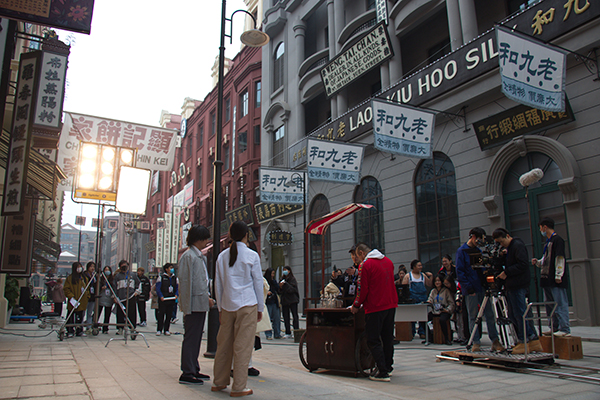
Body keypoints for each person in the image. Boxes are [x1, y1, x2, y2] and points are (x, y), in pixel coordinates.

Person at [212, 221, 263, 397]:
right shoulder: (251, 256)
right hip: (247, 304)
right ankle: (239, 386)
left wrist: (219, 308)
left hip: (227, 305)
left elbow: (218, 285)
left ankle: (219, 382)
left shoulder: (222, 256)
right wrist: (260, 307)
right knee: (242, 347)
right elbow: (258, 283)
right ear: (246, 235)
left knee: (223, 344)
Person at [351, 243, 397, 382]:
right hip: (390, 304)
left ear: (361, 253)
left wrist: (356, 304)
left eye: (357, 255)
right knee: (387, 338)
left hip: (375, 306)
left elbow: (362, 289)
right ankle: (388, 366)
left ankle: (382, 371)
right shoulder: (388, 261)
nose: (357, 259)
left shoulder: (366, 265)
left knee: (373, 339)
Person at [493, 228, 543, 354]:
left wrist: (506, 272)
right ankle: (530, 339)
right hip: (512, 286)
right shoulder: (510, 249)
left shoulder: (517, 246)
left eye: (501, 241)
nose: (501, 244)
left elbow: (522, 264)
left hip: (518, 285)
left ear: (507, 236)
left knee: (519, 313)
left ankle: (525, 340)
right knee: (514, 314)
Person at [456, 227, 503, 352]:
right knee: (473, 316)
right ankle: (476, 341)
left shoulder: (477, 251)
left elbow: (481, 268)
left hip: (481, 286)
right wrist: (467, 287)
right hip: (470, 289)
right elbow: (460, 272)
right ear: (473, 237)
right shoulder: (462, 251)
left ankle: (495, 340)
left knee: (489, 314)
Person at [178, 225, 212, 385]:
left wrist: (207, 297)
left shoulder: (199, 256)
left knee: (197, 337)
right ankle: (187, 372)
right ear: (198, 239)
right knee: (191, 337)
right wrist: (186, 307)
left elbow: (201, 281)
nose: (207, 242)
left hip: (200, 302)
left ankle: (194, 368)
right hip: (193, 303)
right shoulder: (188, 256)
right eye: (205, 238)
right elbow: (185, 283)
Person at [532, 217, 570, 337]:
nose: (541, 230)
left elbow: (559, 257)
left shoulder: (557, 240)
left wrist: (559, 274)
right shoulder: (548, 242)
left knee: (559, 303)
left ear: (544, 227)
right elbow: (546, 259)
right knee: (549, 304)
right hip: (546, 278)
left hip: (554, 278)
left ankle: (564, 328)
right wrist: (538, 262)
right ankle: (553, 327)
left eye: (540, 228)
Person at [402, 259, 432, 338]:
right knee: (412, 316)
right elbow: (403, 288)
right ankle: (411, 332)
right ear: (414, 267)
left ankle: (422, 332)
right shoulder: (408, 276)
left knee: (423, 317)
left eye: (421, 265)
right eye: (419, 266)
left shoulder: (423, 275)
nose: (420, 267)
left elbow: (429, 284)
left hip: (422, 297)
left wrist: (431, 276)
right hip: (413, 298)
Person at [426, 275, 455, 345]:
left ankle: (447, 338)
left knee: (442, 320)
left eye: (439, 281)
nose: (437, 282)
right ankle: (430, 337)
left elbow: (451, 303)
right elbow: (430, 299)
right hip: (435, 311)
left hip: (444, 310)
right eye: (436, 281)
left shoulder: (446, 291)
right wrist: (429, 301)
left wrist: (447, 310)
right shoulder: (433, 291)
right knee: (426, 318)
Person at [114, 260, 141, 335]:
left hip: (131, 297)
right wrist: (115, 297)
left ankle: (132, 327)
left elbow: (138, 284)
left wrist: (137, 292)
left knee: (132, 313)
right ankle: (120, 328)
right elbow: (114, 287)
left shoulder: (133, 275)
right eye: (122, 265)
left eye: (125, 265)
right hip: (121, 298)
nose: (124, 266)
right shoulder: (117, 276)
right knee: (120, 313)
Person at [63, 262, 89, 338]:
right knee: (70, 316)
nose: (79, 268)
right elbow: (66, 289)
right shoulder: (70, 278)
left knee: (80, 316)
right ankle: (70, 330)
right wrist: (71, 297)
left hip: (82, 301)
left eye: (80, 266)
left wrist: (87, 295)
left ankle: (79, 330)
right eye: (78, 267)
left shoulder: (84, 278)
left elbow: (87, 288)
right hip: (73, 301)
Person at [156, 263, 178, 336]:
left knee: (169, 315)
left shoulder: (175, 278)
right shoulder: (161, 277)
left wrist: (176, 295)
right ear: (166, 269)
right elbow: (158, 288)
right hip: (163, 299)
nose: (172, 269)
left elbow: (177, 288)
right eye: (170, 268)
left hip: (171, 299)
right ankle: (159, 329)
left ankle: (166, 329)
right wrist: (161, 296)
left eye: (172, 268)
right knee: (161, 315)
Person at [279, 266, 299, 339]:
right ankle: (288, 332)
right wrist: (280, 286)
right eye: (283, 270)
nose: (284, 271)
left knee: (295, 316)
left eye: (286, 270)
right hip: (285, 301)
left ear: (289, 271)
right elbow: (279, 291)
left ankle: (296, 331)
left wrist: (285, 284)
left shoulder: (292, 279)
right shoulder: (282, 279)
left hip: (292, 300)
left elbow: (292, 289)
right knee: (286, 317)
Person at [263, 267, 282, 340]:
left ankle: (277, 333)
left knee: (277, 318)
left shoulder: (273, 281)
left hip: (274, 302)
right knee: (268, 319)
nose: (273, 275)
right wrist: (267, 292)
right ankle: (268, 334)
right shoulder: (264, 281)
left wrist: (280, 286)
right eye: (272, 273)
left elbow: (278, 290)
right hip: (268, 302)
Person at [97, 266, 114, 334]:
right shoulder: (101, 279)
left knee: (107, 314)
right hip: (101, 297)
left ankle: (105, 328)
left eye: (108, 270)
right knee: (98, 312)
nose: (107, 271)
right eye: (105, 270)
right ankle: (95, 325)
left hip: (109, 298)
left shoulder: (112, 279)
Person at [83, 261, 97, 333]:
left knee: (90, 312)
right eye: (91, 266)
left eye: (93, 267)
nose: (92, 268)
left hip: (92, 296)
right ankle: (80, 325)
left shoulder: (94, 276)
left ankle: (88, 326)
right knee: (83, 312)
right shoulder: (84, 275)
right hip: (85, 296)